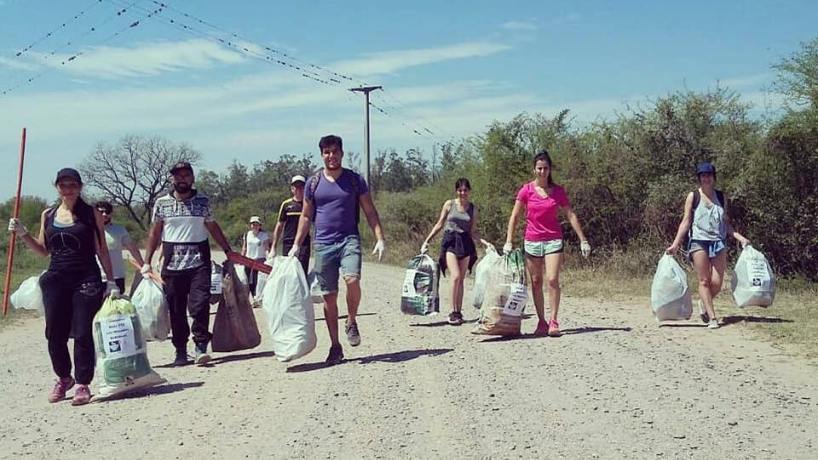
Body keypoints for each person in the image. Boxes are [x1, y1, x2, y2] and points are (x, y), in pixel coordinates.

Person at [8, 168, 117, 406]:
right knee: (54, 333)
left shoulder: (92, 214)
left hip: (86, 278)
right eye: (63, 185)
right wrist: (23, 233)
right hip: (56, 277)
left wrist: (110, 281)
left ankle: (82, 383)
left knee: (82, 331)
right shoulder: (48, 215)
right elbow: (43, 250)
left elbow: (102, 250)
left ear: (80, 187)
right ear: (56, 187)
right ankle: (64, 378)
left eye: (73, 185)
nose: (68, 190)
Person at [289, 135, 385, 365]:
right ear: (322, 155)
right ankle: (335, 346)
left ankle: (351, 320)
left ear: (341, 153)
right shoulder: (313, 183)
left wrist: (379, 237)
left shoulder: (354, 180)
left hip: (348, 240)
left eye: (335, 151)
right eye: (327, 152)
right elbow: (305, 216)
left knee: (352, 280)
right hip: (323, 245)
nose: (331, 156)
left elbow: (370, 211)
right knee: (329, 298)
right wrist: (295, 245)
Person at [142, 161, 234, 366]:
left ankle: (201, 346)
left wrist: (227, 250)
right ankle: (180, 350)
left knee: (200, 304)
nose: (181, 179)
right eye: (177, 176)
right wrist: (147, 261)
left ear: (192, 178)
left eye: (186, 175)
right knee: (176, 308)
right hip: (172, 264)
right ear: (172, 179)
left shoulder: (203, 202)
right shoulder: (162, 203)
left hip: (199, 262)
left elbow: (212, 226)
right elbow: (155, 232)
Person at [504, 150, 591, 337]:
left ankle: (554, 320)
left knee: (552, 279)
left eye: (545, 168)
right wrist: (509, 241)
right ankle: (541, 321)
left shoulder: (558, 191)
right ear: (534, 170)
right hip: (532, 241)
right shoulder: (526, 190)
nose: (542, 172)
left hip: (553, 240)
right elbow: (515, 216)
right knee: (536, 282)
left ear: (550, 170)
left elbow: (570, 214)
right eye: (539, 168)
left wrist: (583, 239)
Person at [666, 162, 750, 329]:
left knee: (717, 283)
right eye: (703, 176)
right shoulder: (693, 196)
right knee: (704, 280)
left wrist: (739, 237)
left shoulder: (721, 197)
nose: (706, 179)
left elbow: (725, 223)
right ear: (699, 178)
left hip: (718, 242)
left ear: (714, 178)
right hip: (699, 241)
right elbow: (686, 221)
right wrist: (676, 244)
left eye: (709, 175)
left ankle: (704, 303)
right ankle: (712, 318)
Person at [420, 178, 493, 325]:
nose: (462, 193)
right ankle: (452, 311)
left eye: (465, 190)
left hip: (465, 242)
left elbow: (473, 231)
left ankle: (458, 312)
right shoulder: (449, 204)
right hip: (450, 241)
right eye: (460, 190)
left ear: (469, 191)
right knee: (455, 276)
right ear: (456, 191)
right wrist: (427, 241)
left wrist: (485, 243)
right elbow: (440, 224)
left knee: (461, 280)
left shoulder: (473, 209)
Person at [94, 201, 145, 293]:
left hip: (117, 277)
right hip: (97, 277)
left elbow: (132, 249)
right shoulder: (90, 230)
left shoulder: (119, 229)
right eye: (101, 212)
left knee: (117, 306)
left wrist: (143, 266)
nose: (104, 214)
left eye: (107, 211)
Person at [271, 175, 310, 274]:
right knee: (287, 272)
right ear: (292, 189)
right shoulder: (286, 204)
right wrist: (273, 248)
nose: (299, 189)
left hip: (304, 243)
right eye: (296, 187)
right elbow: (279, 225)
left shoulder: (309, 204)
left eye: (301, 187)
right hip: (288, 242)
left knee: (301, 272)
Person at [241, 215, 271, 300]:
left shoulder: (263, 235)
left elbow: (266, 248)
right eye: (253, 224)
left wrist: (268, 258)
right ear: (250, 225)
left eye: (257, 224)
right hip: (248, 260)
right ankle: (246, 297)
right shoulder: (247, 234)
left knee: (255, 279)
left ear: (260, 225)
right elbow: (244, 247)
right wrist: (241, 258)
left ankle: (256, 297)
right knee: (246, 279)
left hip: (259, 260)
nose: (255, 226)